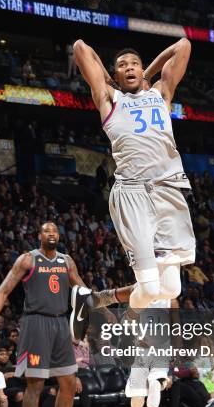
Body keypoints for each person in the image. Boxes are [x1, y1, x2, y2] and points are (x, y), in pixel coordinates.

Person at [0, 222, 133, 407]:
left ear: (59, 236)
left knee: (69, 382)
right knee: (35, 385)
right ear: (39, 235)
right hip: (36, 324)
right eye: (46, 231)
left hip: (61, 326)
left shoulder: (67, 262)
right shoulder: (27, 260)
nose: (51, 233)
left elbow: (87, 296)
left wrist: (119, 295)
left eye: (54, 231)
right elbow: (2, 292)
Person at [73, 38, 196, 312]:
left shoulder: (160, 93)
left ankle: (99, 298)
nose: (129, 68)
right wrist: (109, 80)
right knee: (151, 288)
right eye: (122, 65)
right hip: (133, 193)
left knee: (172, 289)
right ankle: (127, 317)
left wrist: (148, 74)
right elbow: (82, 47)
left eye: (134, 64)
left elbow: (184, 45)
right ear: (116, 73)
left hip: (168, 190)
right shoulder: (109, 98)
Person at [125, 299, 177, 407]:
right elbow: (128, 322)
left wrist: (173, 370)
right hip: (141, 354)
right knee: (137, 400)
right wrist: (136, 337)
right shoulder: (139, 295)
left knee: (155, 384)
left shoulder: (170, 300)